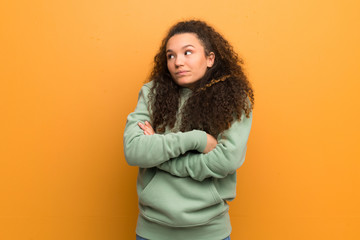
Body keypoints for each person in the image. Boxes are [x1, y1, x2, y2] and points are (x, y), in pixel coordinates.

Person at [123, 20, 254, 240]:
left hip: (211, 233)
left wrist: (160, 156)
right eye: (171, 55)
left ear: (210, 58)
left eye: (188, 52)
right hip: (152, 232)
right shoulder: (151, 93)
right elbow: (134, 150)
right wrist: (197, 140)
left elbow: (226, 161)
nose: (177, 62)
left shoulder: (234, 99)